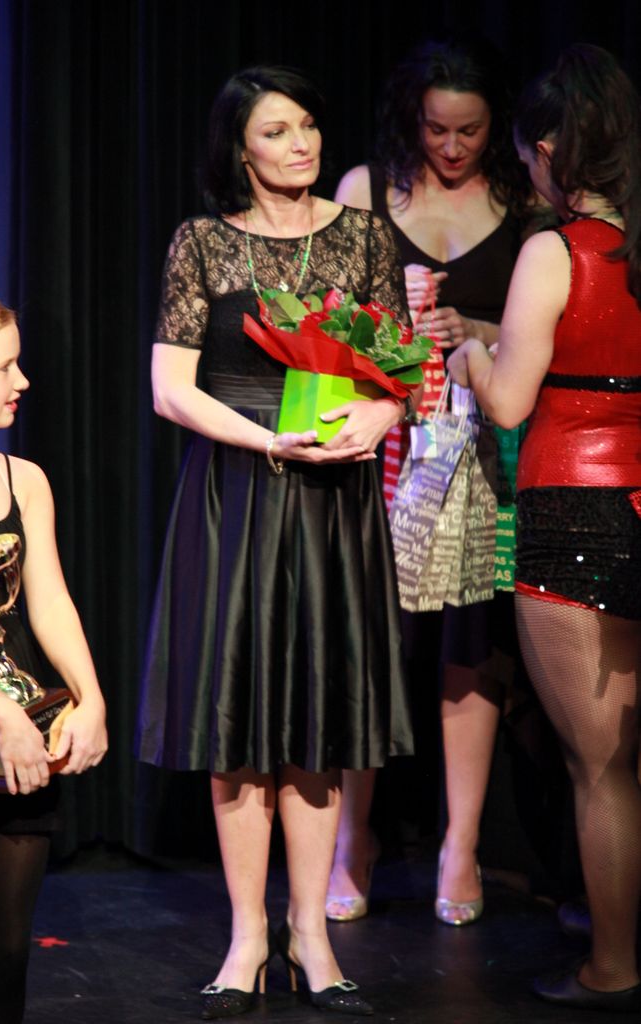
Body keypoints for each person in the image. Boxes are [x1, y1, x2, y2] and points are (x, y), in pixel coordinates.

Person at [135, 65, 415, 1018]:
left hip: (333, 499)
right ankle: (248, 939)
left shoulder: (364, 237)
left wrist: (378, 415)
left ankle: (311, 935)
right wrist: (267, 442)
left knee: (317, 721)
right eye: (275, 132)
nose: (300, 145)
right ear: (238, 148)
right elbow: (170, 389)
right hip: (237, 496)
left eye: (306, 126)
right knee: (238, 722)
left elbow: (396, 368)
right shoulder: (202, 243)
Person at [447, 43, 641, 1012]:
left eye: (526, 153)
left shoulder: (554, 251)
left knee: (601, 770)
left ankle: (610, 965)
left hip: (574, 510)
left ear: (553, 148)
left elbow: (510, 404)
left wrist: (471, 357)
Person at [330, 35, 532, 925]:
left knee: (467, 645)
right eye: (435, 128)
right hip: (381, 447)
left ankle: (460, 843)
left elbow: (545, 329)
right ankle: (352, 839)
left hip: (478, 454)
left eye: (469, 131)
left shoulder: (522, 202)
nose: (451, 147)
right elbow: (328, 324)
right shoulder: (364, 190)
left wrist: (473, 328)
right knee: (367, 643)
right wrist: (391, 337)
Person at [0, 285, 108, 1023]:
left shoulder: (24, 478)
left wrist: (91, 698)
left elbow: (49, 601)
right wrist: (2, 713)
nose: (22, 380)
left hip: (23, 742)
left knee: (6, 951)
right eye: (3, 367)